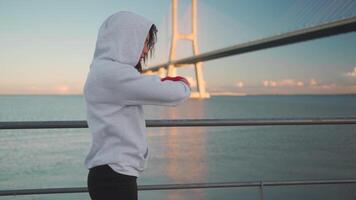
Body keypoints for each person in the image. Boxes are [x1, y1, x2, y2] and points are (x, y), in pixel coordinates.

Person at [83, 11, 191, 200]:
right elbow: (175, 94)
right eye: (145, 41)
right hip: (116, 177)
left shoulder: (101, 70)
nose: (146, 50)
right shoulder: (115, 74)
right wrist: (183, 81)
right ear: (126, 37)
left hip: (108, 173)